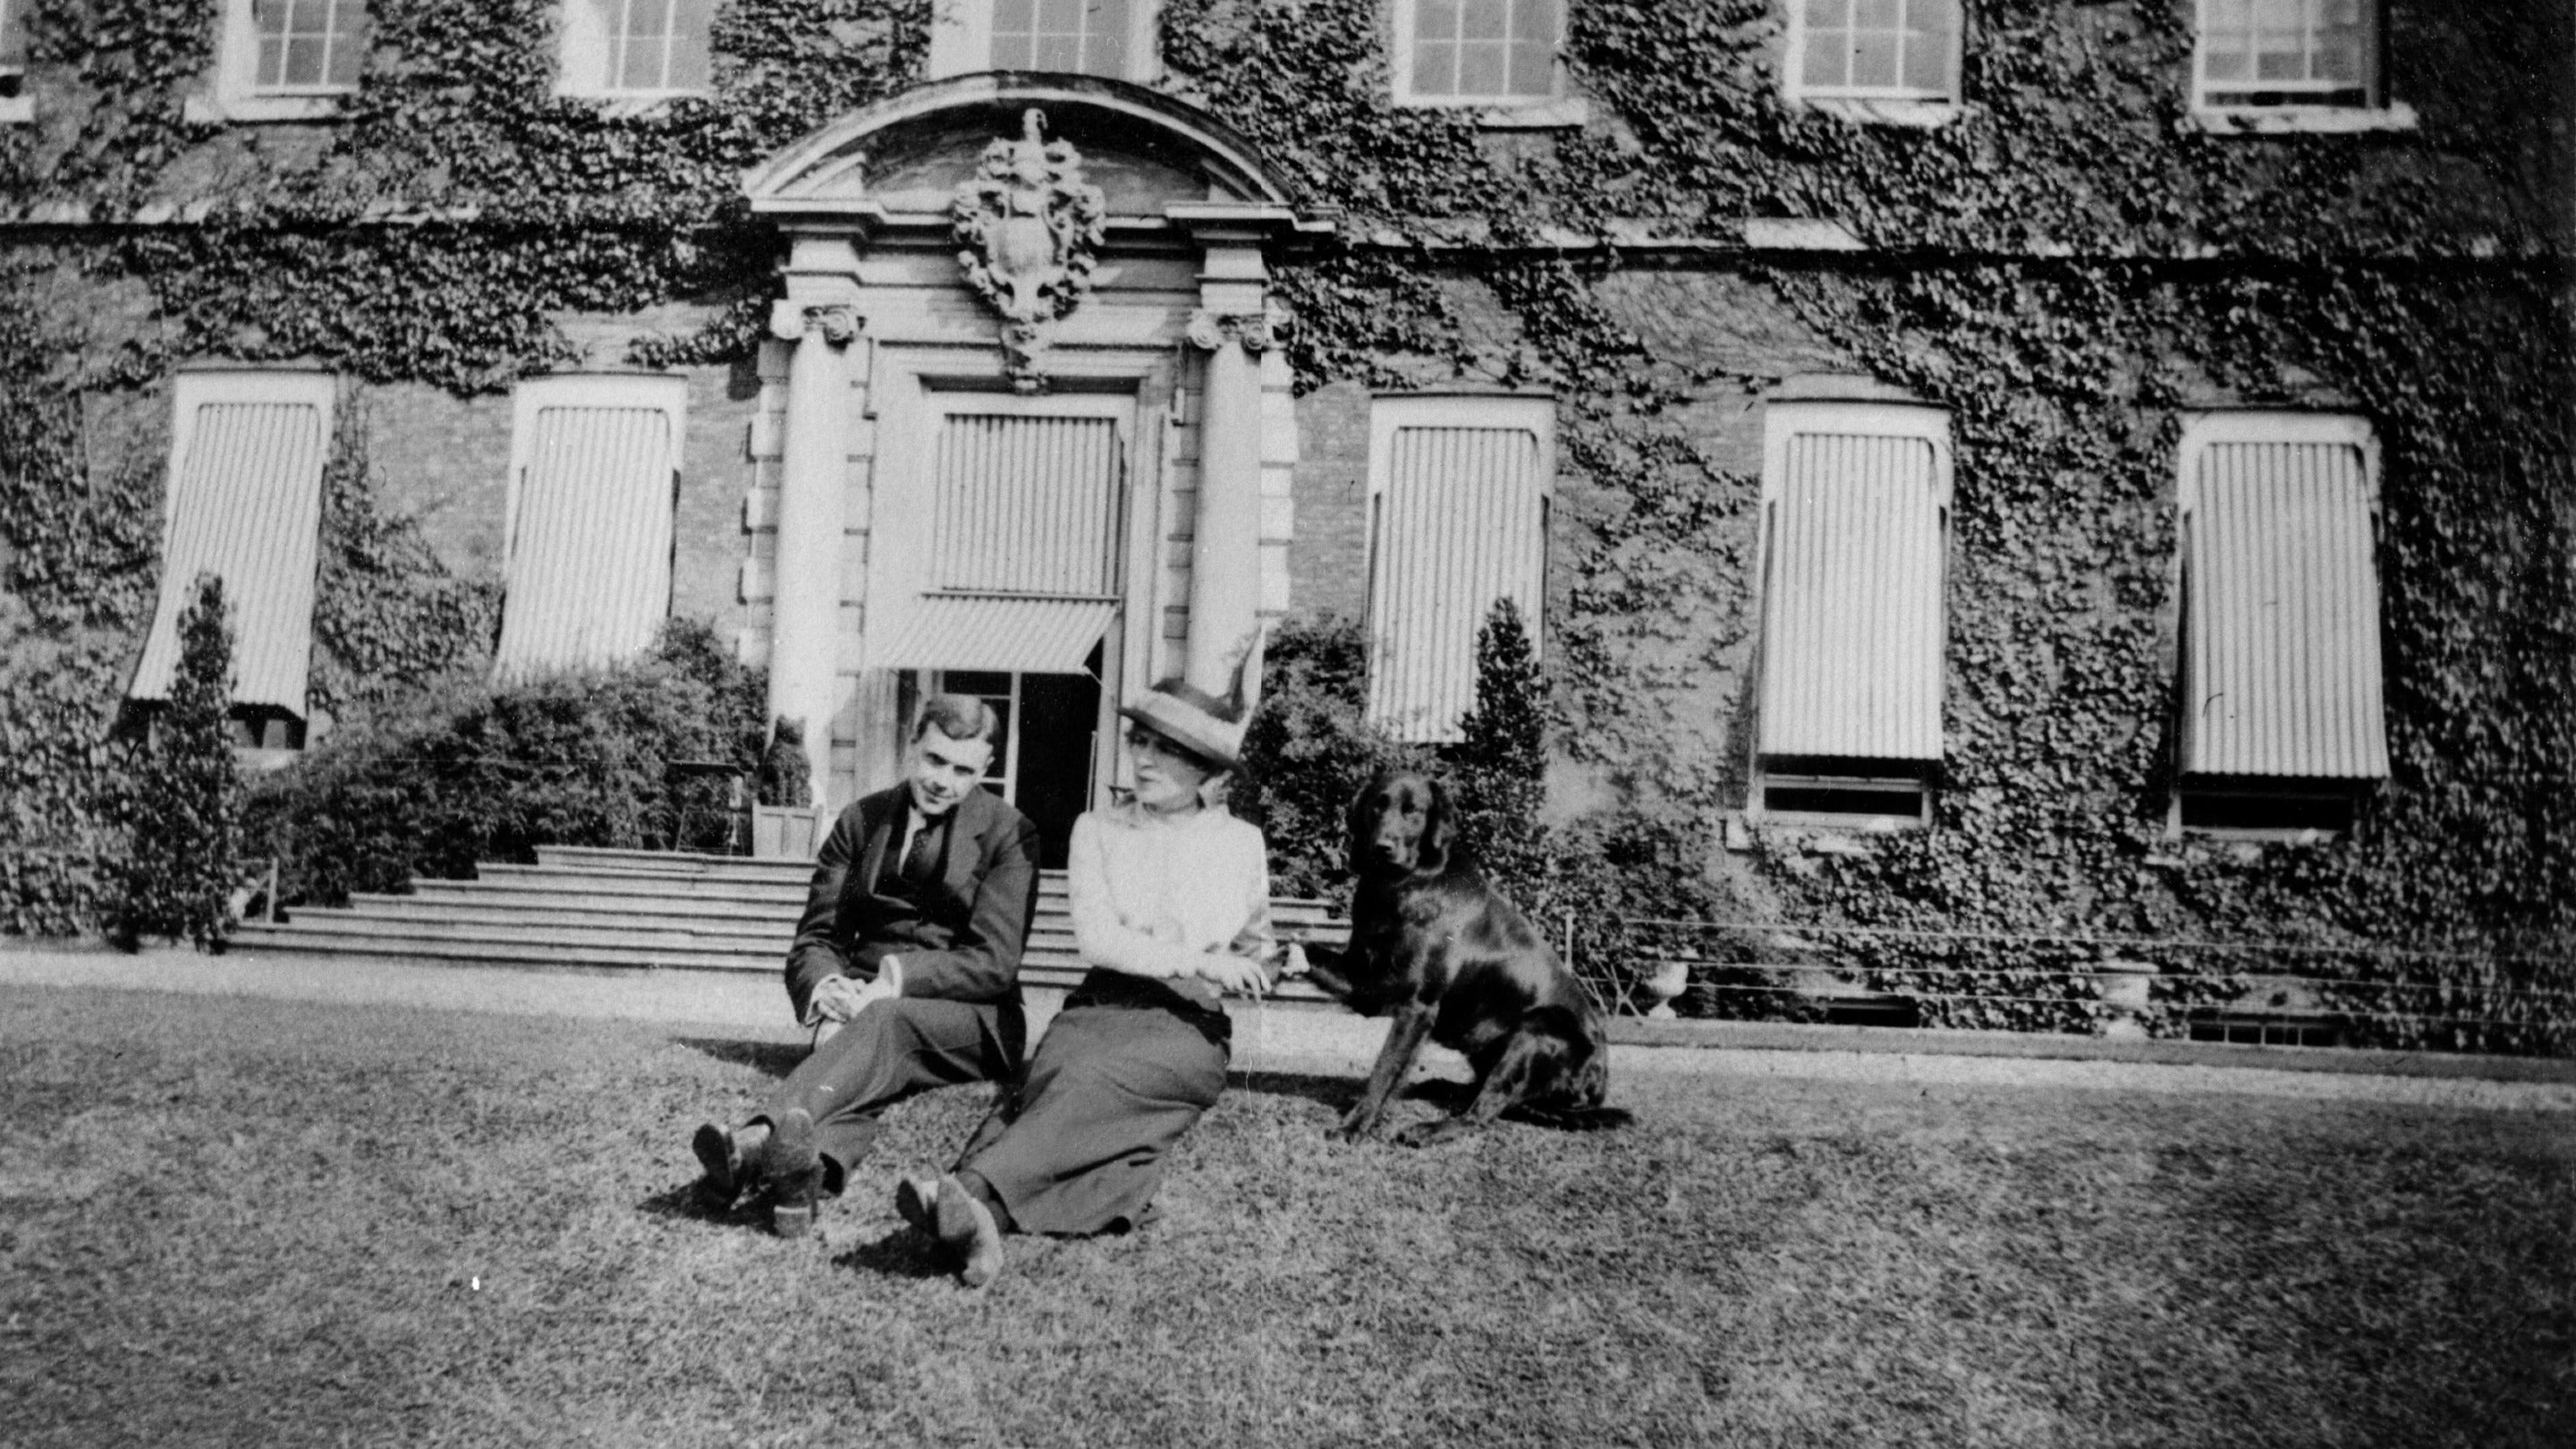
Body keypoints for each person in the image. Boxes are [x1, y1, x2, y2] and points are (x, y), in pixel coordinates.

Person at [891, 638, 1277, 1288]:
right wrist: (1201, 959)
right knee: (1048, 1085)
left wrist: (1260, 965)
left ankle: (970, 1196)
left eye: (1169, 750)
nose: (1146, 759)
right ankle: (977, 1220)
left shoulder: (1242, 844)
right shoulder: (1096, 829)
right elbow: (1099, 943)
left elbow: (1254, 950)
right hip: (1100, 1005)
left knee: (1088, 1084)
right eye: (1141, 742)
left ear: (1207, 769)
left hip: (1186, 1028)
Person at [690, 694, 1041, 1237]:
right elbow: (816, 936)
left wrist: (891, 984)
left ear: (986, 770)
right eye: (934, 760)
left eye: (962, 769)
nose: (943, 780)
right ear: (911, 748)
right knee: (863, 1064)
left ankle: (756, 1141)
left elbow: (994, 962)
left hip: (975, 1021)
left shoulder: (1009, 835)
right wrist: (827, 987)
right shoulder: (860, 820)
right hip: (863, 1007)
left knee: (880, 1024)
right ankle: (803, 1178)